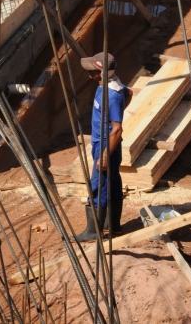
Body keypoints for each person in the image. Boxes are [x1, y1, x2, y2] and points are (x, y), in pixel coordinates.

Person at [74, 52, 130, 242]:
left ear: (101, 73)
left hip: (106, 144)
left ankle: (93, 231)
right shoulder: (111, 85)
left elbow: (117, 129)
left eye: (92, 70)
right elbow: (129, 92)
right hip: (104, 142)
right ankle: (113, 225)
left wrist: (105, 154)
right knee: (112, 182)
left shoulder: (112, 95)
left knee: (98, 185)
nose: (89, 73)